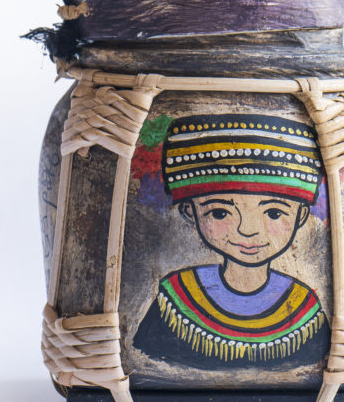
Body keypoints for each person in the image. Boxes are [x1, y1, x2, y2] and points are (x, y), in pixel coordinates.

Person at [133, 113, 330, 369]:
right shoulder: (176, 297)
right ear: (190, 212)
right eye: (220, 213)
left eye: (273, 213)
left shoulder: (304, 306)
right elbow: (147, 362)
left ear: (301, 215)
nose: (247, 230)